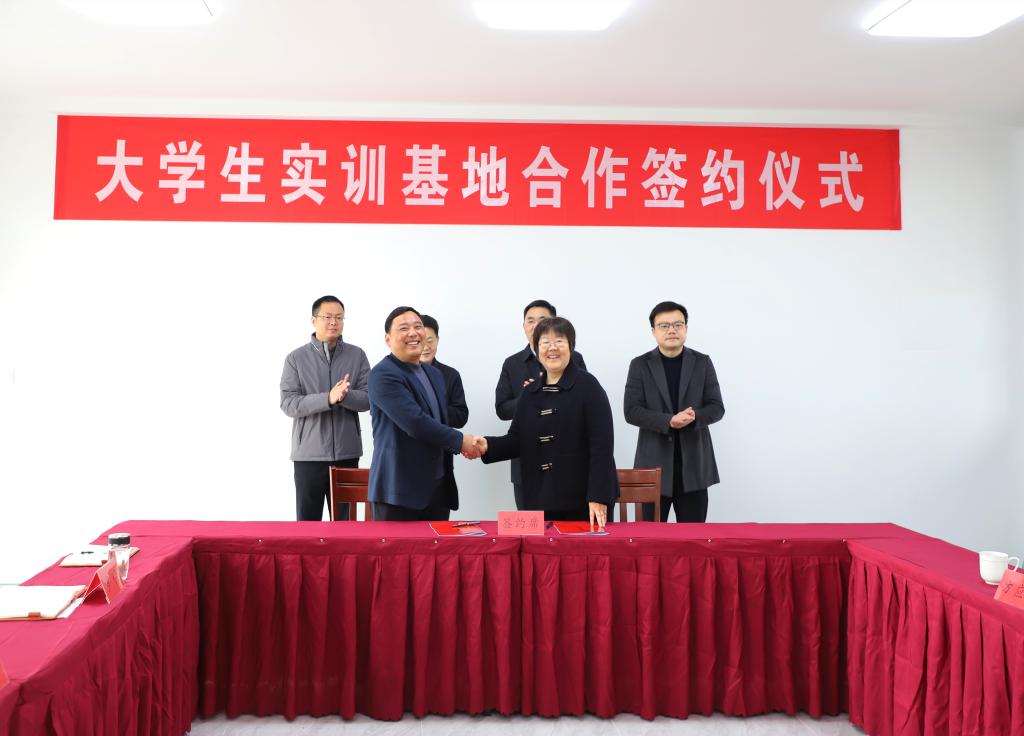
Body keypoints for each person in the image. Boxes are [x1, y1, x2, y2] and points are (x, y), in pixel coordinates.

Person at [478, 316, 617, 529]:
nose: (552, 348)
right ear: (536, 349)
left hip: (583, 501)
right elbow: (517, 440)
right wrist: (486, 445)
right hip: (539, 496)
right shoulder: (530, 392)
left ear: (571, 347)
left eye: (559, 341)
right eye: (545, 342)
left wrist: (598, 496)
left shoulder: (589, 386)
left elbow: (602, 446)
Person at [368, 306, 484, 521]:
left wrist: (459, 444)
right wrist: (461, 441)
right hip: (398, 491)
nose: (413, 333)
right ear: (388, 339)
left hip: (438, 489)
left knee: (438, 545)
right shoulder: (382, 374)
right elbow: (416, 423)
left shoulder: (433, 374)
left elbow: (439, 421)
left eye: (418, 326)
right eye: (404, 328)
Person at [623, 301, 724, 522]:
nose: (672, 330)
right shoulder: (640, 365)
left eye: (678, 324)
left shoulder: (702, 362)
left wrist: (694, 416)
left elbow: (717, 407)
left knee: (693, 537)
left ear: (686, 328)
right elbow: (631, 411)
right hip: (653, 467)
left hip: (694, 468)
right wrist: (669, 420)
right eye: (664, 325)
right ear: (653, 331)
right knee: (649, 537)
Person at [280, 295, 370, 521]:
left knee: (345, 526)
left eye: (339, 317)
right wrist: (328, 398)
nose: (333, 322)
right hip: (308, 456)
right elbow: (289, 403)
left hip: (347, 453)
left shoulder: (357, 355)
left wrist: (344, 396)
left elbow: (369, 399)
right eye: (327, 317)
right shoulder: (295, 358)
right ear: (313, 320)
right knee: (307, 524)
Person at [494, 299, 587, 510]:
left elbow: (582, 404)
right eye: (530, 321)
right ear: (524, 326)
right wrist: (528, 397)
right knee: (531, 526)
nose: (536, 325)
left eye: (542, 319)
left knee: (568, 527)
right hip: (526, 461)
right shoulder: (512, 363)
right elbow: (502, 409)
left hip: (568, 462)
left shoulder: (575, 358)